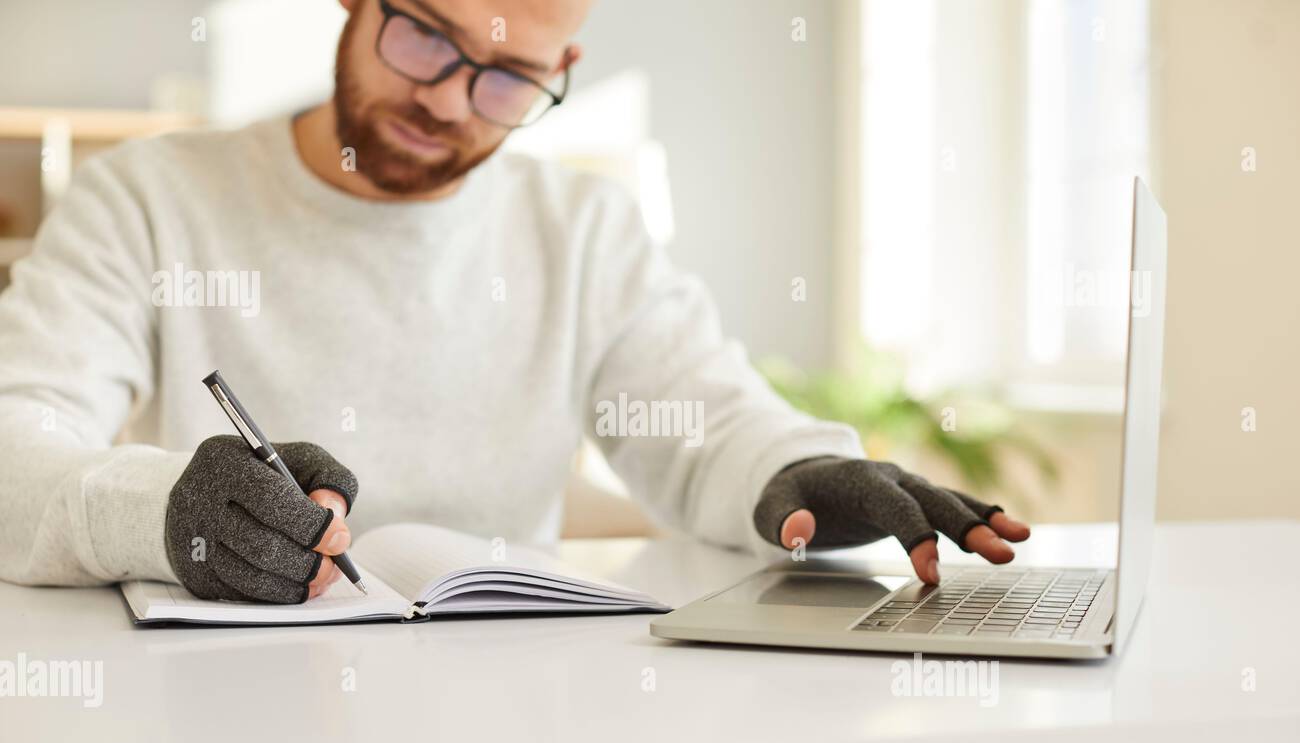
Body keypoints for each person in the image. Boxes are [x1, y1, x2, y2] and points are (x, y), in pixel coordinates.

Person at [0, 0, 1028, 604]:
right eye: (425, 38)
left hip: (509, 712)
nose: (448, 99)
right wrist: (162, 510)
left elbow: (710, 426)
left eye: (505, 79)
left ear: (563, 68)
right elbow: (15, 441)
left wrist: (800, 471)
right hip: (211, 719)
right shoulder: (145, 199)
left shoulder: (583, 230)